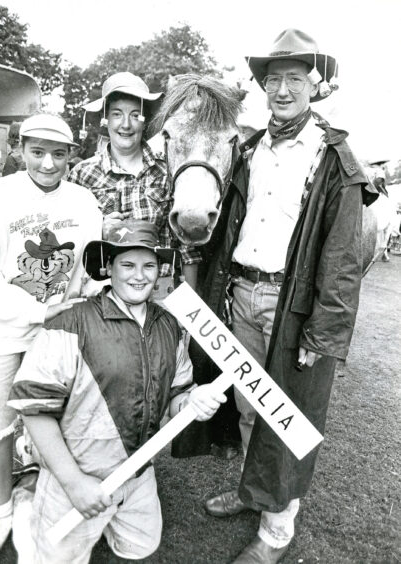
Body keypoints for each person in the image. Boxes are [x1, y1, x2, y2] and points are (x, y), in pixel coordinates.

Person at [201, 29, 376, 563]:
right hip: (243, 294)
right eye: (272, 78)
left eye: (293, 79)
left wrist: (322, 331)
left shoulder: (336, 156)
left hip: (293, 305)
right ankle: (256, 492)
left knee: (290, 417)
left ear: (313, 85)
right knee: (251, 405)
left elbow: (344, 258)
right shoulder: (249, 148)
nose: (281, 89)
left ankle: (277, 532)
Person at [7, 219, 226, 564]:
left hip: (135, 473)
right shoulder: (72, 322)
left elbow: (177, 398)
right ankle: (28, 496)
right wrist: (74, 483)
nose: (139, 276)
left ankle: (102, 520)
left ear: (160, 270)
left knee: (141, 547)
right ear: (109, 267)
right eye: (127, 264)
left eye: (148, 266)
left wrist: (192, 401)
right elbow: (36, 410)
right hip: (76, 473)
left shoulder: (169, 325)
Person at [0, 113, 102, 561]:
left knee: (57, 425)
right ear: (20, 149)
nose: (48, 163)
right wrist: (37, 307)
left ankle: (43, 502)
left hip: (59, 334)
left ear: (72, 156)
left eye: (59, 154)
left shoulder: (84, 200)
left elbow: (91, 269)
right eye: (37, 152)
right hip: (3, 330)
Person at [68, 71, 201, 298]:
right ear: (105, 119)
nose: (126, 125)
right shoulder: (83, 173)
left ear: (145, 120)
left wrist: (189, 309)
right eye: (117, 114)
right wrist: (98, 229)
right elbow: (69, 240)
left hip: (160, 294)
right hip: (102, 294)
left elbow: (187, 248)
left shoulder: (168, 169)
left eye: (135, 115)